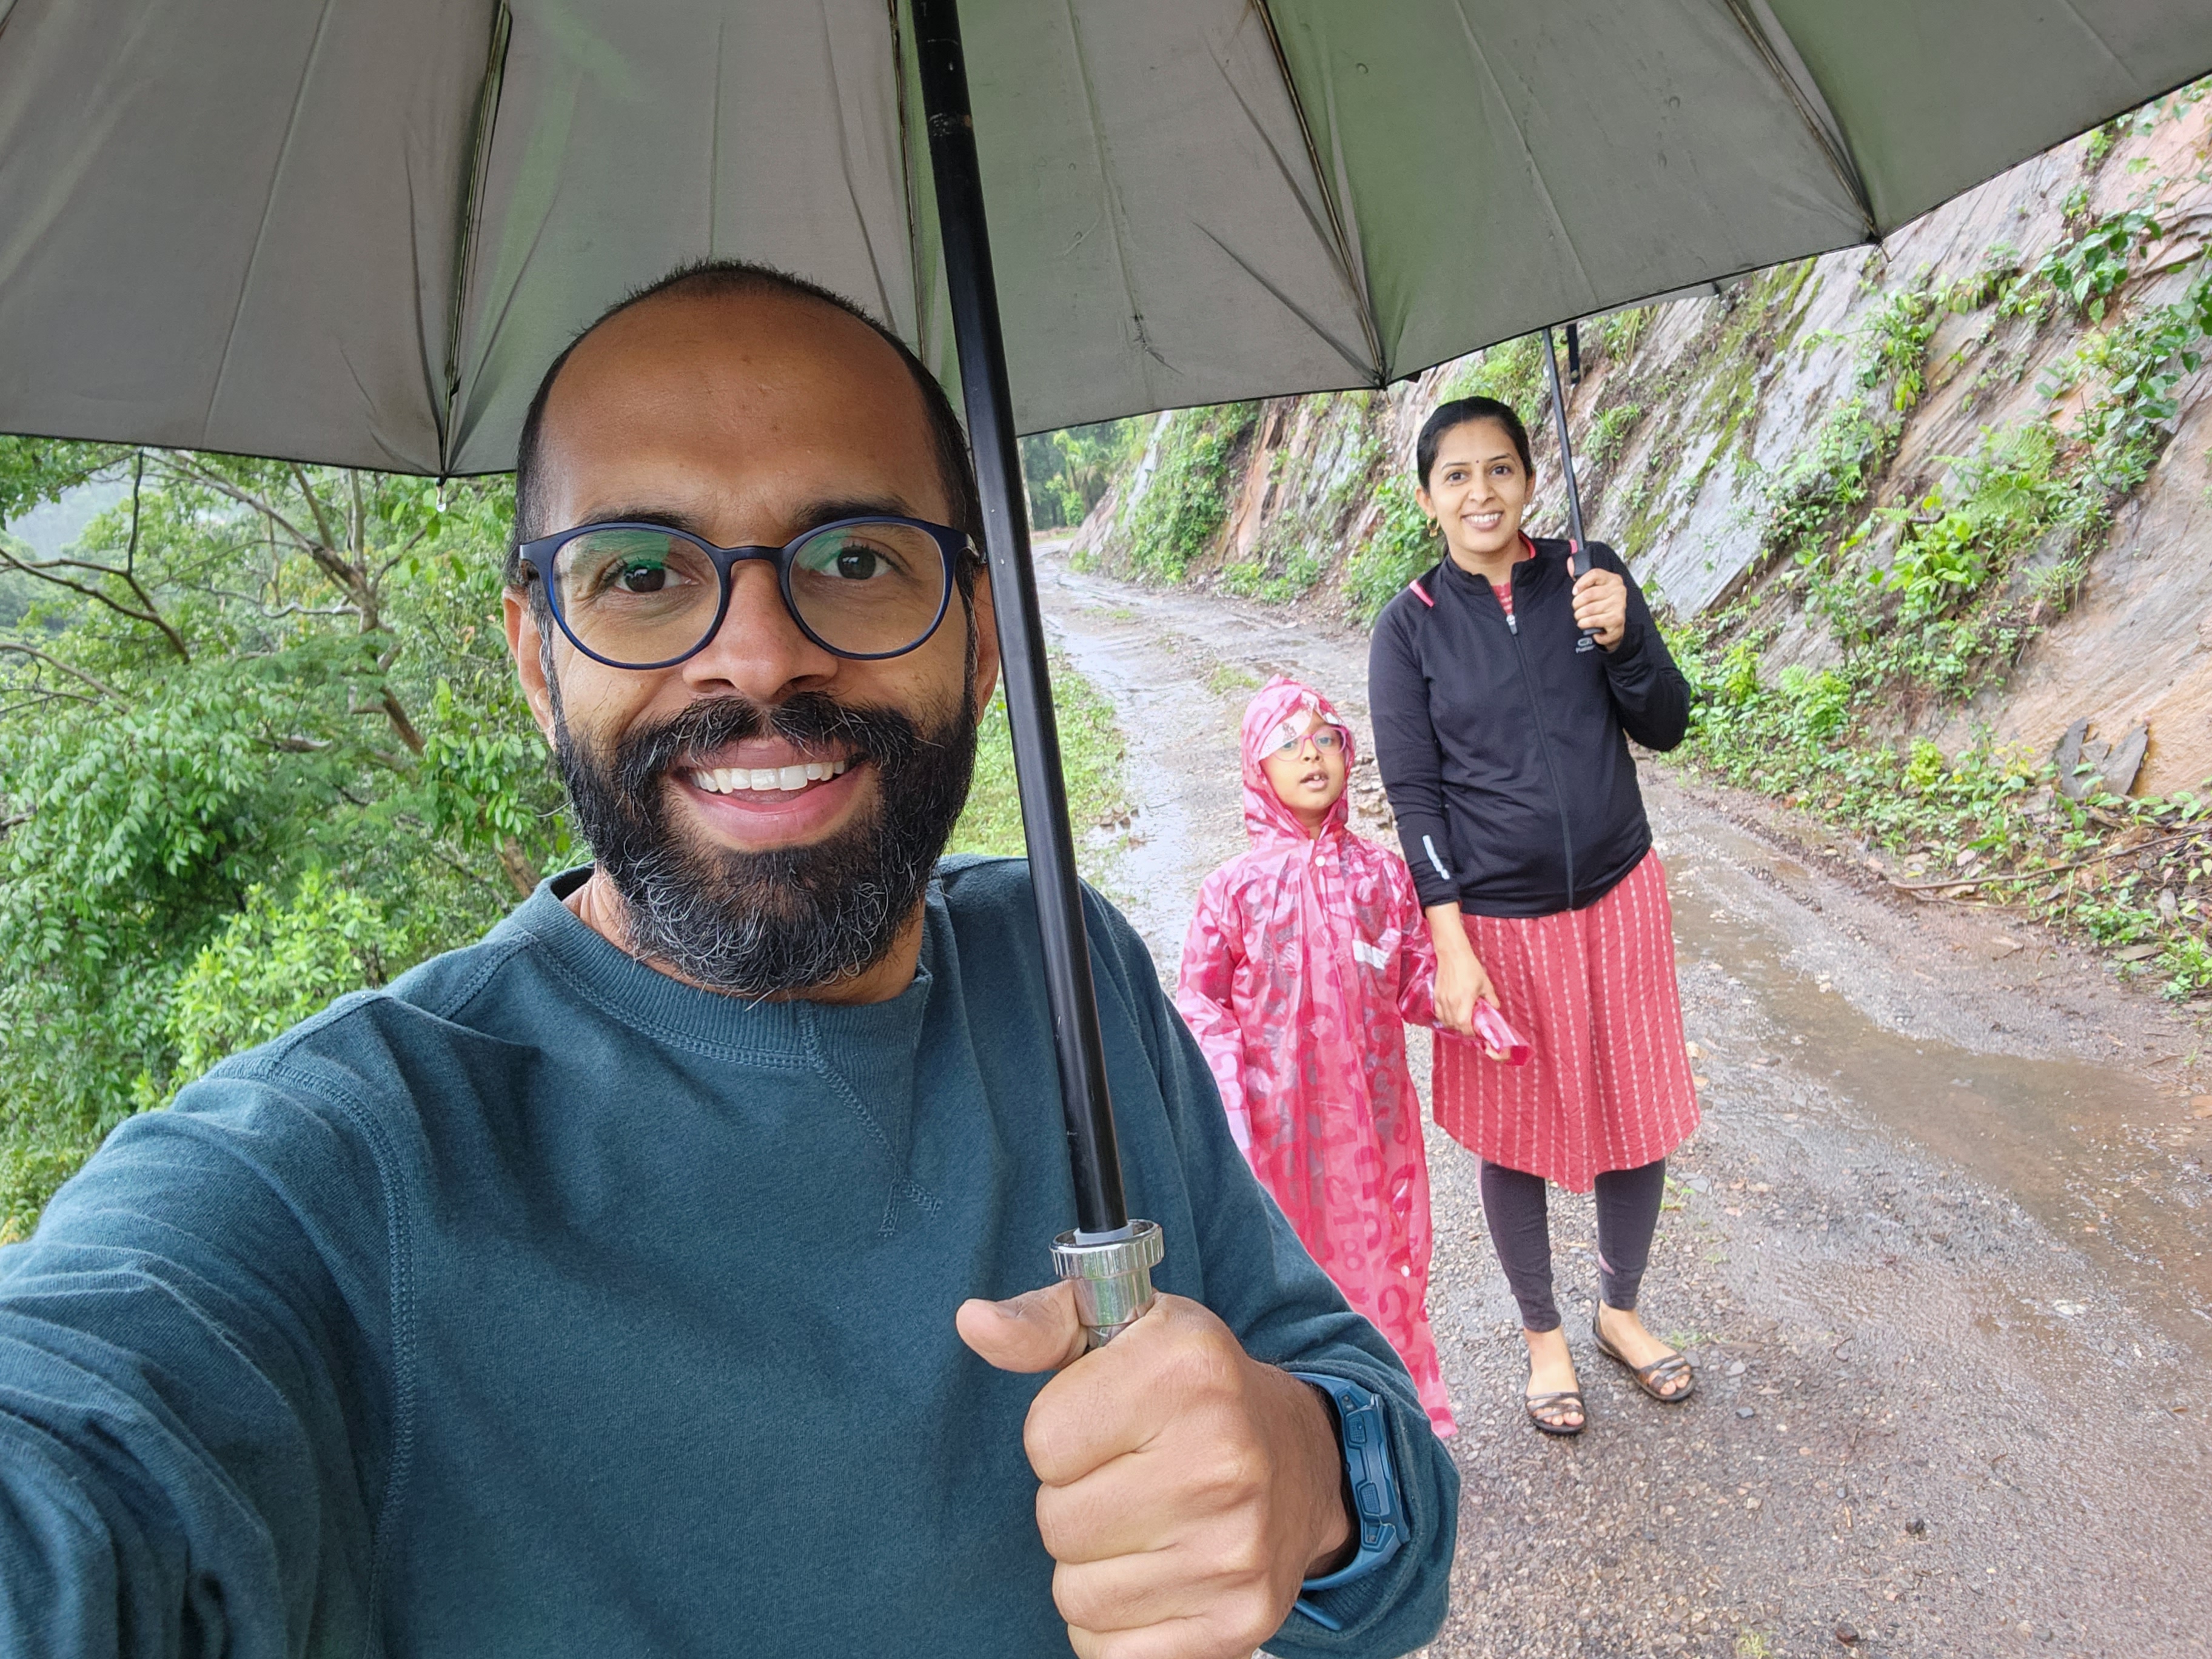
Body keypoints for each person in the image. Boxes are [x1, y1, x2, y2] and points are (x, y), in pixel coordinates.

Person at [0, 263, 1459, 1658]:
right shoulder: (343, 1166)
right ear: (534, 652)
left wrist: (1307, 1475)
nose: (759, 658)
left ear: (984, 638)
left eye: (858, 557)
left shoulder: (1066, 965)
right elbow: (77, 1462)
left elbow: (1386, 1495)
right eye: (641, 570)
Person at [1367, 394, 1700, 1438]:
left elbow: (1668, 722)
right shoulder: (1407, 627)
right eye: (1455, 475)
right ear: (1427, 497)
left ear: (1527, 481)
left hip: (1617, 891)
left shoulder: (1587, 576)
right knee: (1514, 1133)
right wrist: (1449, 944)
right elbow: (1414, 797)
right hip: (1498, 922)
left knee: (1635, 1109)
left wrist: (1627, 635)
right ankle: (1542, 1337)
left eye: (1499, 468)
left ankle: (1618, 1312)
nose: (1481, 491)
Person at [1176, 677, 1456, 1439]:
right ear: (1256, 770)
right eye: (1288, 744)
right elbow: (1201, 1003)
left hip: (1373, 1122)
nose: (1311, 756)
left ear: (1348, 757)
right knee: (1289, 1262)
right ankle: (1301, 1422)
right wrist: (1232, 1100)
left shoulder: (1382, 876)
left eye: (1326, 740)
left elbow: (1417, 981)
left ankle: (1395, 1417)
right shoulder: (1230, 890)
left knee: (1383, 1255)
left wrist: (1476, 1004)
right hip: (1277, 1126)